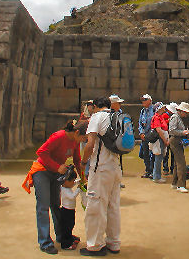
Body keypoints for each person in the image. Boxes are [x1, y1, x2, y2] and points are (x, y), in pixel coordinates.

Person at [26, 120, 87, 255]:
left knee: (56, 204)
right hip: (42, 171)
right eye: (83, 137)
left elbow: (77, 160)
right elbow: (41, 152)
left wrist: (83, 177)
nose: (84, 140)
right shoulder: (59, 136)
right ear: (77, 132)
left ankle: (62, 235)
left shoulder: (76, 141)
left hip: (56, 173)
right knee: (43, 206)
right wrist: (56, 167)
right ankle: (45, 242)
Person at [80, 96, 122, 256]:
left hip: (100, 168)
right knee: (113, 205)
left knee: (96, 206)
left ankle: (95, 245)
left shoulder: (96, 118)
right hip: (115, 167)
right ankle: (114, 242)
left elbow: (89, 145)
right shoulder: (116, 117)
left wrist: (84, 162)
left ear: (96, 106)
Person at [169, 102, 189, 193]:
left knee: (177, 163)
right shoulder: (175, 117)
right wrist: (183, 132)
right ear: (181, 111)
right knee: (181, 163)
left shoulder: (177, 117)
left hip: (177, 141)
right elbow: (172, 130)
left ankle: (175, 183)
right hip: (175, 140)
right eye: (185, 113)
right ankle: (181, 185)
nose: (186, 115)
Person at [60, 169, 81, 250]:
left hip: (70, 211)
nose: (74, 182)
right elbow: (72, 197)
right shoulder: (64, 190)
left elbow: (73, 183)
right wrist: (79, 188)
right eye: (72, 181)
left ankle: (70, 237)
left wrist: (79, 181)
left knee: (71, 225)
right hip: (66, 212)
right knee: (67, 227)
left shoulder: (67, 185)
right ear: (65, 181)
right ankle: (66, 244)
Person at [150, 102, 169, 183]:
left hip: (161, 138)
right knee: (158, 157)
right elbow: (158, 130)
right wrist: (165, 140)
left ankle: (157, 175)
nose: (164, 108)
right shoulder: (157, 117)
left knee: (159, 157)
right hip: (159, 139)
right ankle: (156, 177)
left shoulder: (160, 116)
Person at [138, 94, 154, 178]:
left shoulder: (154, 110)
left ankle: (152, 171)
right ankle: (148, 170)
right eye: (142, 100)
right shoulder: (142, 111)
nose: (143, 101)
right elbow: (140, 122)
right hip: (144, 136)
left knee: (152, 154)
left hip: (152, 136)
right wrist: (141, 133)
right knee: (145, 154)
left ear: (150, 101)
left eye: (145, 99)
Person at [163, 103, 178, 174]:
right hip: (166, 135)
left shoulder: (175, 116)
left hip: (172, 136)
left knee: (173, 154)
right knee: (166, 153)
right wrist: (168, 121)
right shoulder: (164, 115)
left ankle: (172, 168)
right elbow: (162, 123)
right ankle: (165, 168)